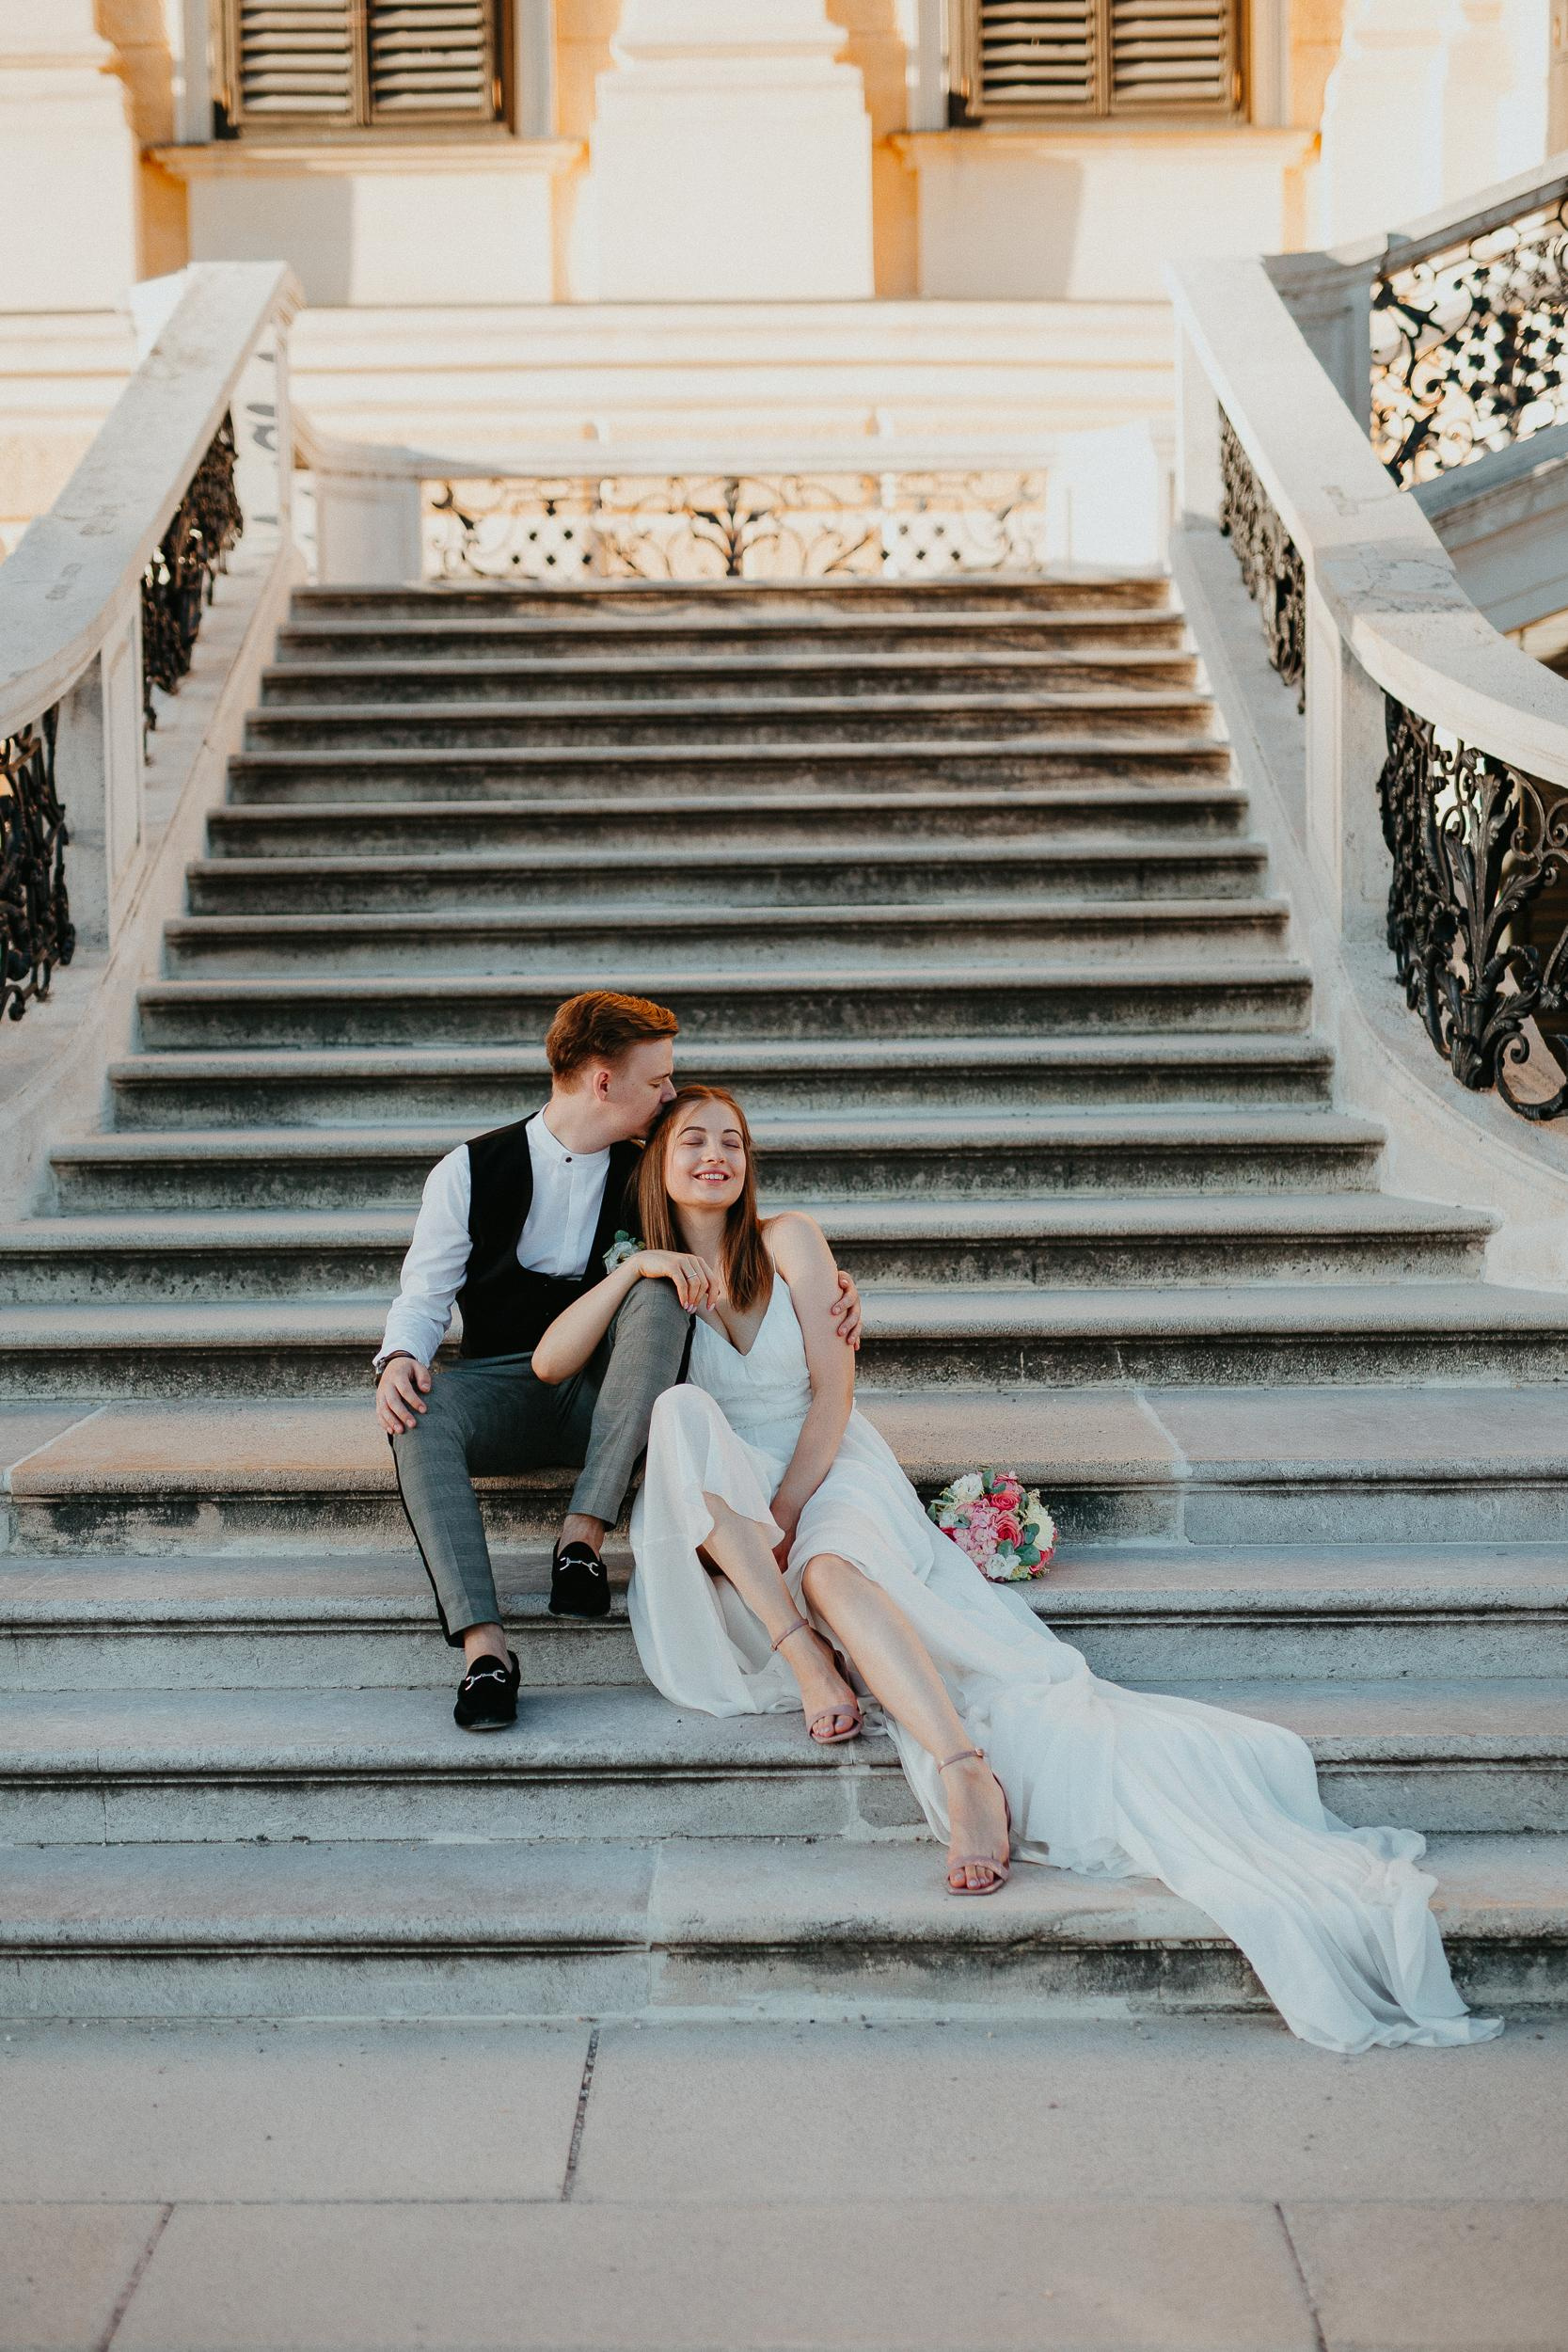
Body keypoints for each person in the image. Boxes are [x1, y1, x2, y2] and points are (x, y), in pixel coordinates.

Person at [532, 1084, 1503, 2056]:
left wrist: (787, 1511)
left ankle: (965, 1774)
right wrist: (634, 1272)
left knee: (829, 1568)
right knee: (676, 1415)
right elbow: (548, 1363)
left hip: (825, 1467)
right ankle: (802, 1653)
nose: (714, 1155)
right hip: (726, 1486)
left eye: (732, 1142)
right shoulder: (645, 1277)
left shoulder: (789, 1240)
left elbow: (832, 1398)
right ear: (658, 1166)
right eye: (692, 1141)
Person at [374, 989, 864, 1729]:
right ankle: (485, 1651)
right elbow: (423, 1293)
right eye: (658, 1079)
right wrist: (398, 1357)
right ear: (604, 1082)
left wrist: (825, 1287)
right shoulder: (469, 1171)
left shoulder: (650, 1170)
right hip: (503, 1383)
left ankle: (583, 1539)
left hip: (618, 1394)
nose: (669, 1092)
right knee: (415, 1411)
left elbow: (733, 1231)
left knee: (658, 1289)